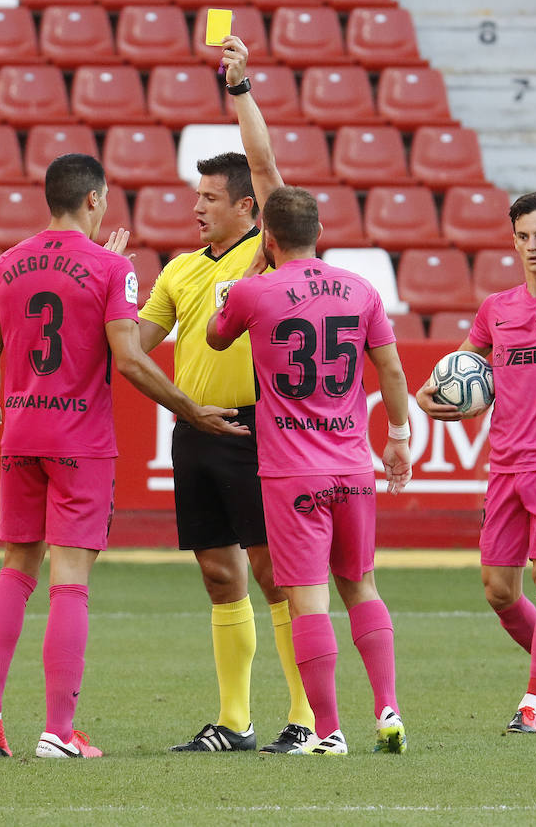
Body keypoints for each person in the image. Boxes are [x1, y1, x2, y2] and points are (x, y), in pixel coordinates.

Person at [0, 153, 249, 759]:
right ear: (94, 199)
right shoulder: (111, 267)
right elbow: (131, 358)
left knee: (16, 567)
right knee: (70, 583)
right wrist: (189, 409)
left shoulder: (7, 264)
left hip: (21, 434)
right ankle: (59, 733)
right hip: (79, 442)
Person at [137, 36, 315, 754]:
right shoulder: (178, 269)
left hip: (254, 428)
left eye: (208, 199)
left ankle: (305, 718)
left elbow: (269, 166)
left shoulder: (259, 251)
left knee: (276, 574)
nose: (195, 209)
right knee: (218, 573)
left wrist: (238, 89)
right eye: (194, 197)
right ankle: (235, 721)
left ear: (249, 209)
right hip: (194, 431)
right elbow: (134, 344)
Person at [206, 185, 412, 756]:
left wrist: (249, 270)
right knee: (363, 586)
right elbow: (391, 372)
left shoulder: (255, 291)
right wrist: (397, 439)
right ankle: (388, 707)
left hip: (292, 474)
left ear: (268, 238)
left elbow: (214, 337)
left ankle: (327, 731)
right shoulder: (361, 290)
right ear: (319, 235)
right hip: (352, 465)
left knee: (307, 600)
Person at [417, 190, 536, 735]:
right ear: (513, 240)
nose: (533, 246)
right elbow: (454, 372)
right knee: (499, 590)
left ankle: (532, 703)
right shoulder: (496, 309)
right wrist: (434, 400)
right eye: (524, 236)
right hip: (504, 463)